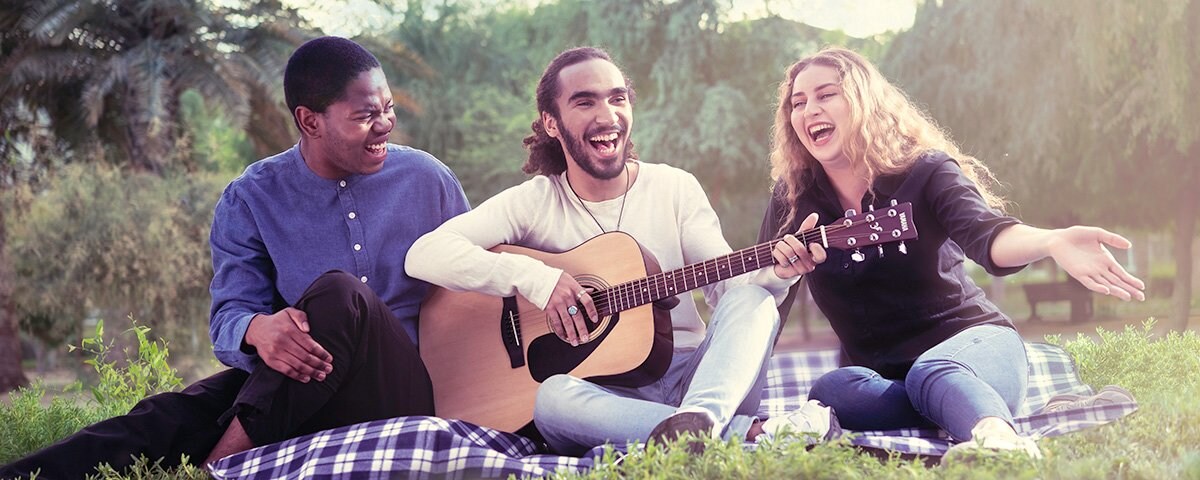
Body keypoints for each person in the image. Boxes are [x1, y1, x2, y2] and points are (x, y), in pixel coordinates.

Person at [0, 36, 469, 478]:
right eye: (366, 115)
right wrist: (257, 330)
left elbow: (482, 281)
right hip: (304, 386)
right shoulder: (251, 198)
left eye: (387, 108)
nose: (385, 123)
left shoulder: (428, 179)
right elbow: (230, 314)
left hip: (405, 390)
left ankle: (216, 471)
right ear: (310, 121)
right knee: (167, 417)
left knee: (338, 294)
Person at [406, 46, 833, 457]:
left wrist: (780, 275)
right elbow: (425, 254)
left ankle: (700, 421)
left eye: (617, 98)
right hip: (609, 399)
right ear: (551, 123)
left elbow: (730, 293)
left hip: (701, 377)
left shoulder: (674, 187)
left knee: (754, 298)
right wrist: (537, 279)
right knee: (552, 397)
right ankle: (730, 435)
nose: (607, 115)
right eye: (585, 102)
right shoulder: (534, 202)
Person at [758, 46, 1145, 458]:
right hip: (887, 381)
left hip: (974, 347)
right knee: (833, 388)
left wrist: (1051, 241)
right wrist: (779, 277)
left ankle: (1001, 442)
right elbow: (763, 299)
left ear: (863, 100)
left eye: (826, 95)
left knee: (935, 372)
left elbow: (989, 235)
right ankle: (955, 413)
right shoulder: (793, 197)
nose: (809, 110)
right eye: (798, 103)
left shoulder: (925, 170)